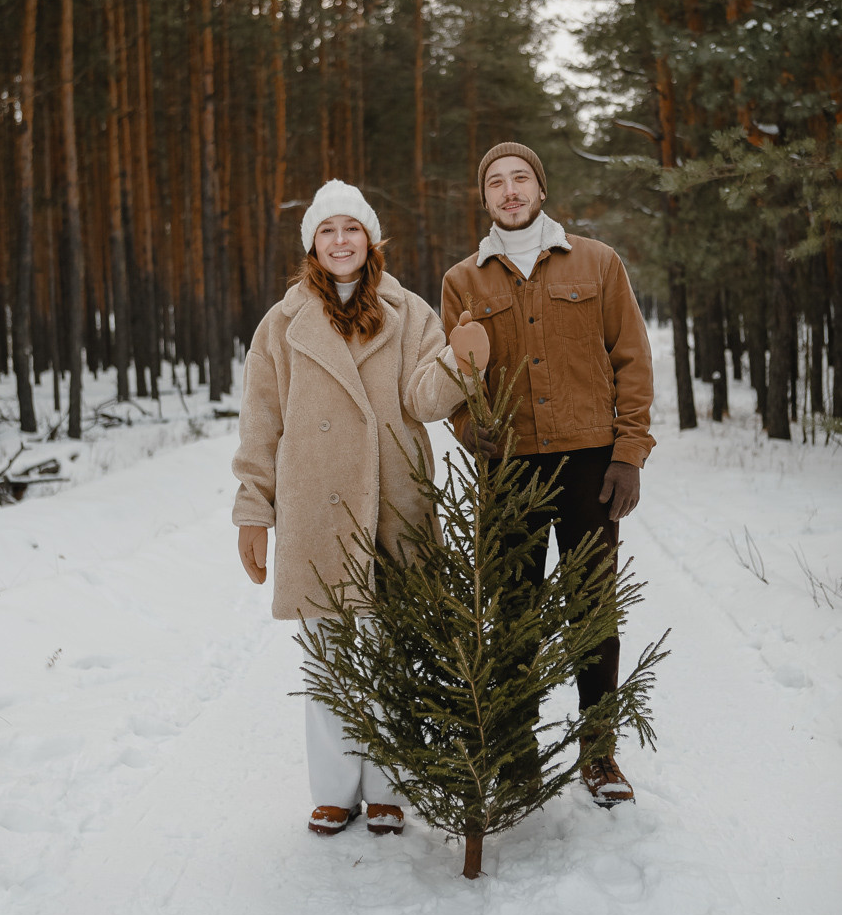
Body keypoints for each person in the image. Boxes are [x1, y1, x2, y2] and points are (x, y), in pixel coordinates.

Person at [232, 179, 489, 837]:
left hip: (392, 505)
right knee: (328, 656)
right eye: (327, 230)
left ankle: (386, 788)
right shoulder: (281, 324)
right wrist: (252, 513)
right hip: (315, 507)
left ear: (369, 238)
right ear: (311, 245)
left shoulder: (407, 312)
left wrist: (461, 365)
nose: (340, 240)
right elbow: (260, 424)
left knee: (394, 651)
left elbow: (423, 399)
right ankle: (334, 790)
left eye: (351, 228)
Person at [441, 141, 655, 807]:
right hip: (508, 471)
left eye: (520, 179)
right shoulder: (462, 282)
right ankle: (517, 755)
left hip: (590, 460)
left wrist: (627, 453)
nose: (509, 191)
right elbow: (454, 380)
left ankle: (599, 756)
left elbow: (631, 360)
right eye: (496, 182)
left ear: (539, 188)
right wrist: (466, 428)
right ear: (484, 197)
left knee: (592, 610)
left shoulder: (596, 262)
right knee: (514, 616)